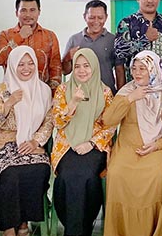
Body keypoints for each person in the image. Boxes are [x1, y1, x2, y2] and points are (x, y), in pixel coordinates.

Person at [102, 50, 162, 236]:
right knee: (116, 172)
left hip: (156, 147)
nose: (137, 73)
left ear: (153, 69)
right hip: (127, 146)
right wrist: (130, 98)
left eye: (143, 68)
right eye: (134, 68)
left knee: (156, 175)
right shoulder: (126, 91)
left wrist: (159, 144)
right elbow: (109, 119)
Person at [0, 46, 55, 236]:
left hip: (29, 144)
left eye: (30, 63)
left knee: (39, 169)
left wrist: (36, 142)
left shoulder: (44, 90)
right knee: (9, 174)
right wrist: (8, 104)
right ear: (12, 66)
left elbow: (49, 122)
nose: (26, 68)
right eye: (21, 64)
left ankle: (23, 222)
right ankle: (8, 229)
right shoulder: (2, 90)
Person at [51, 48, 116, 236]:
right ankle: (74, 228)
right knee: (66, 177)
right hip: (66, 145)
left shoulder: (105, 92)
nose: (81, 70)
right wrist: (73, 102)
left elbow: (110, 125)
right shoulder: (63, 90)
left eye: (86, 66)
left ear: (94, 67)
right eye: (77, 66)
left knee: (87, 176)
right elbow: (57, 122)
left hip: (94, 146)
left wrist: (92, 143)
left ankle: (80, 228)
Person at [0, 0, 63, 89]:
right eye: (23, 10)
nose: (28, 15)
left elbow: (55, 67)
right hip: (12, 90)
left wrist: (52, 92)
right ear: (16, 13)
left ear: (39, 12)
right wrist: (19, 37)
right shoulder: (5, 35)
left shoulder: (50, 36)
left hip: (42, 91)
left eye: (32, 10)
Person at [63, 0, 117, 92]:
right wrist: (67, 58)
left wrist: (120, 94)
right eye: (92, 17)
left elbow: (119, 70)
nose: (96, 21)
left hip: (106, 93)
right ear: (85, 17)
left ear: (106, 17)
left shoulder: (113, 40)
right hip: (80, 94)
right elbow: (65, 71)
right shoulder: (74, 40)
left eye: (100, 18)